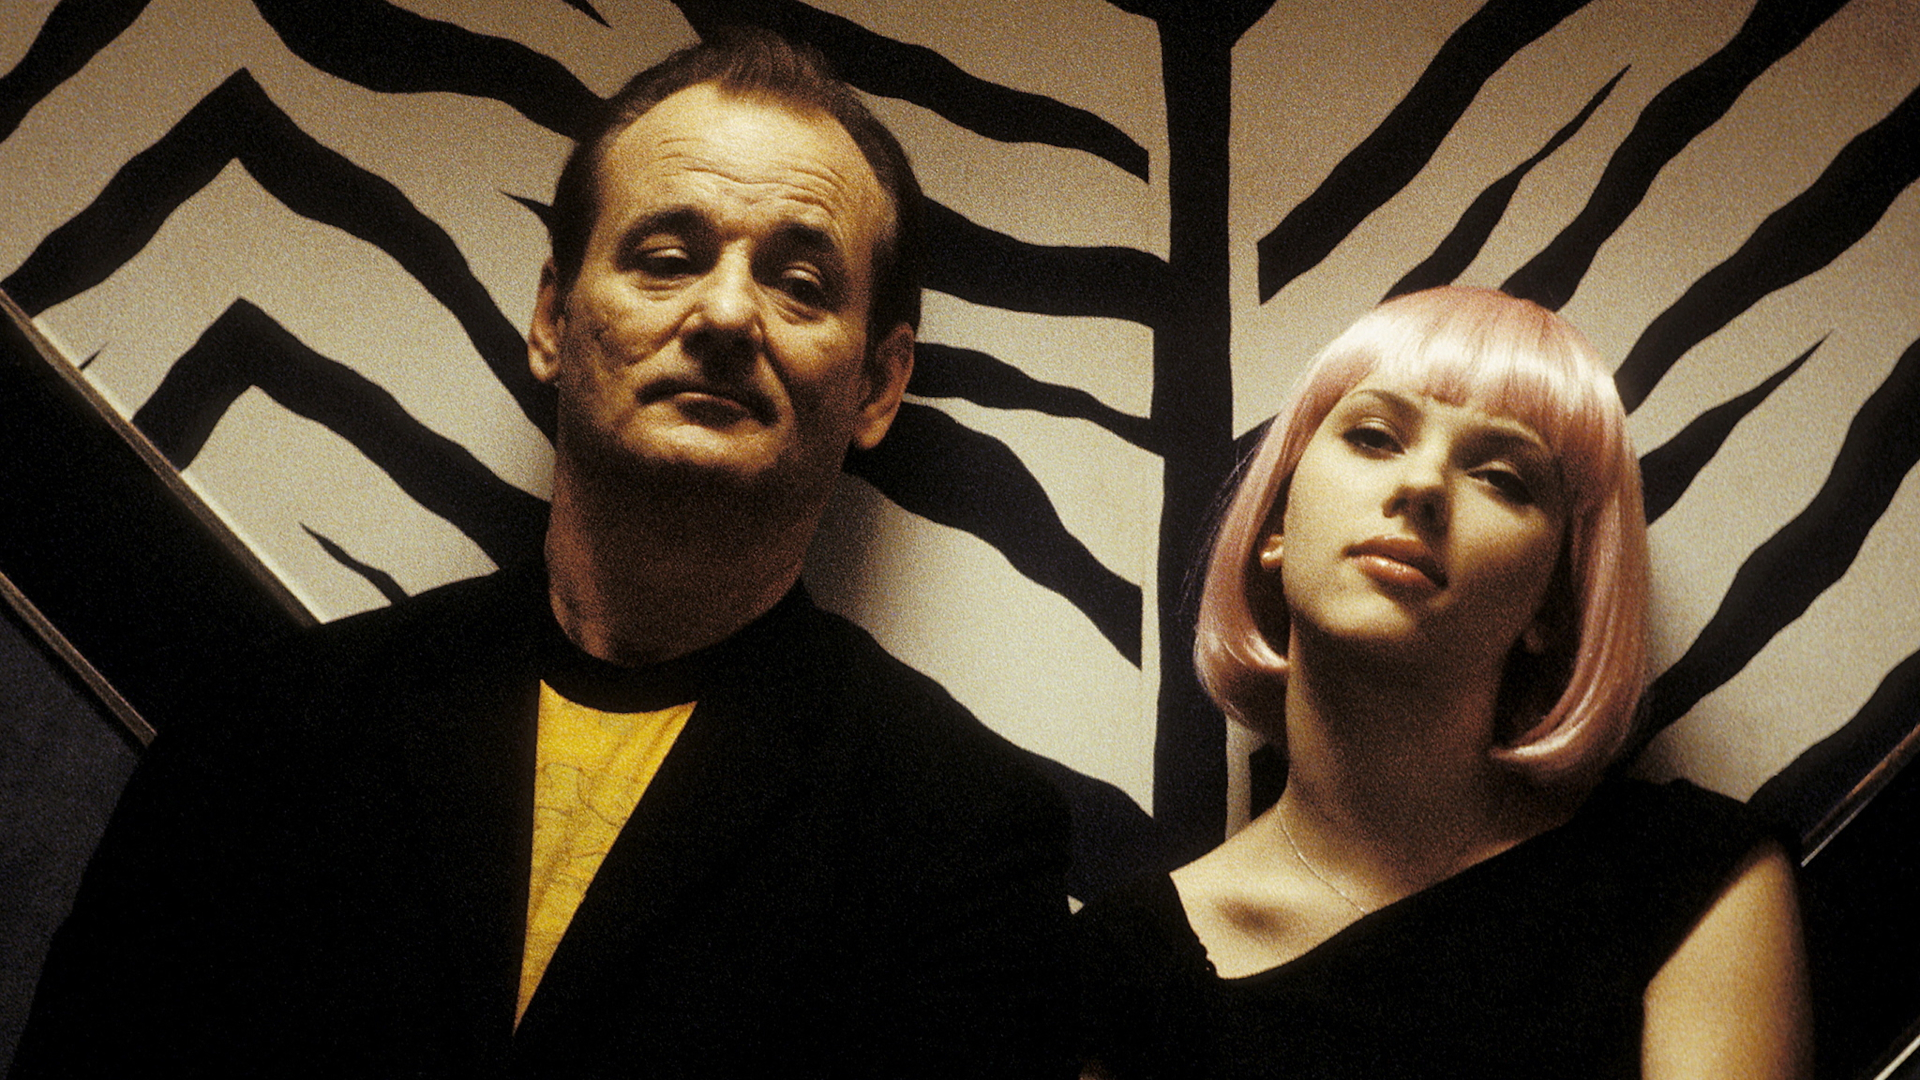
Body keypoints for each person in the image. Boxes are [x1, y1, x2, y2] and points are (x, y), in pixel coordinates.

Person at [16, 29, 1072, 1079]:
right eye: (668, 260)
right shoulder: (265, 728)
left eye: (799, 282)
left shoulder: (964, 840)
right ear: (553, 320)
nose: (726, 313)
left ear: (879, 386)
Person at [1075, 286, 1811, 1079]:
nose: (1423, 485)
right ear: (1277, 525)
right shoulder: (1119, 970)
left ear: (1553, 604)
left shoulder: (1683, 878)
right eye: (1373, 436)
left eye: (1502, 477)